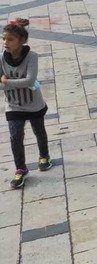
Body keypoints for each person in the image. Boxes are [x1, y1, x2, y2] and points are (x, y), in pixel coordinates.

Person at [1, 18, 52, 190]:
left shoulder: (32, 57)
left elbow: (30, 80)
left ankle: (44, 155)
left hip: (33, 104)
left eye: (10, 39)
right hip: (13, 104)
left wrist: (6, 82)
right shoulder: (1, 58)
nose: (5, 42)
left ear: (21, 41)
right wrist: (13, 82)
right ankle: (20, 168)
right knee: (15, 137)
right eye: (3, 38)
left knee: (39, 131)